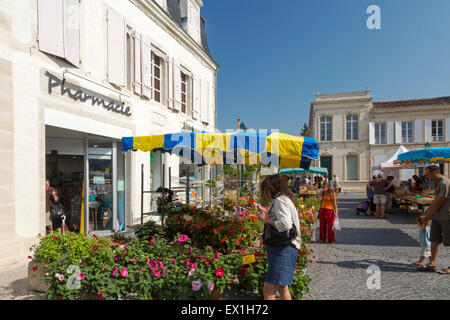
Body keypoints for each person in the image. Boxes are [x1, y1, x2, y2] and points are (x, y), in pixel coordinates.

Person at [258, 174, 301, 300]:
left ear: (271, 189)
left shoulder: (280, 200)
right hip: (284, 248)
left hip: (283, 249)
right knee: (282, 287)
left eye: (265, 190)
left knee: (268, 289)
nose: (264, 193)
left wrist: (267, 220)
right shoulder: (283, 199)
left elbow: (285, 225)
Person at [417, 165, 450, 274]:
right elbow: (435, 200)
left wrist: (426, 216)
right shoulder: (438, 183)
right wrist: (426, 214)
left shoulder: (443, 182)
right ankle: (432, 263)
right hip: (437, 216)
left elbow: (439, 200)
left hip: (446, 216)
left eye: (428, 174)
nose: (427, 177)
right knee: (434, 239)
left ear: (435, 172)